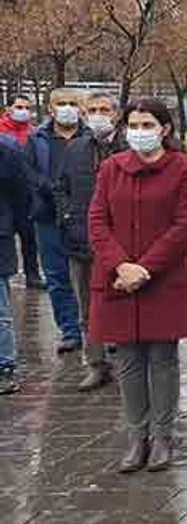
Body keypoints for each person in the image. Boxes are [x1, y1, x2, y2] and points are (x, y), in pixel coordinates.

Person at [88, 98, 187, 473]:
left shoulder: (184, 168)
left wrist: (144, 268)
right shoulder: (111, 168)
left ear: (164, 128)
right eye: (133, 124)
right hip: (116, 279)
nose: (139, 131)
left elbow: (184, 226)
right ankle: (137, 438)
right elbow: (98, 221)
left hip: (163, 279)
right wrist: (120, 263)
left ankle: (163, 437)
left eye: (147, 124)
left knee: (162, 360)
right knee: (128, 361)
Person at [59, 91, 126, 392]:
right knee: (88, 307)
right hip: (81, 241)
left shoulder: (130, 146)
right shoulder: (75, 149)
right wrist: (68, 217)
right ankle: (97, 363)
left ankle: (129, 362)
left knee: (124, 303)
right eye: (93, 109)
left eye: (104, 109)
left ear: (117, 113)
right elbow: (62, 187)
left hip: (122, 244)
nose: (98, 114)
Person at [25, 88, 88, 354]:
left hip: (83, 216)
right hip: (48, 216)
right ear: (50, 108)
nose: (67, 108)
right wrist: (49, 189)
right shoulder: (37, 138)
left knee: (91, 276)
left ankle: (96, 330)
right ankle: (70, 331)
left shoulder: (90, 136)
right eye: (61, 103)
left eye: (73, 103)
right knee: (57, 276)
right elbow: (28, 171)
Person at [1, 95, 40, 288]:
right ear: (8, 109)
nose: (23, 111)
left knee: (29, 235)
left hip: (26, 193)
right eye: (18, 107)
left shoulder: (34, 133)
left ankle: (32, 274)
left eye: (26, 107)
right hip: (5, 192)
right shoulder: (1, 131)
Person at [0, 135, 28, 395]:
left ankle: (4, 367)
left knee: (0, 311)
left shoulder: (7, 149)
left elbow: (20, 193)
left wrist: (20, 228)